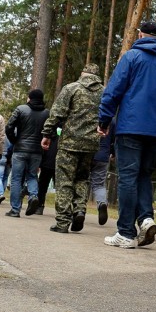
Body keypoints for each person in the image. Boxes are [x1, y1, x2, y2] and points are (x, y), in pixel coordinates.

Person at [100, 22, 156, 249]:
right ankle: (146, 219)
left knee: (127, 177)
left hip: (131, 127)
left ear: (140, 35)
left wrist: (104, 121)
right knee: (143, 175)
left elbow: (114, 91)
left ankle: (125, 232)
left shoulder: (131, 57)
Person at [42, 64, 103, 233]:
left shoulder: (71, 88)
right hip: (91, 144)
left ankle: (62, 222)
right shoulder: (104, 93)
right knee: (82, 178)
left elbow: (57, 113)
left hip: (70, 142)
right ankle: (79, 210)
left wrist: (47, 134)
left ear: (83, 73)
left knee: (64, 181)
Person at [5, 89, 49, 218]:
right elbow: (51, 129)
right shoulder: (47, 113)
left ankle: (15, 209)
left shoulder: (21, 109)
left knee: (16, 179)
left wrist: (15, 141)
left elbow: (9, 127)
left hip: (20, 149)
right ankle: (33, 196)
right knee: (32, 176)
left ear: (29, 98)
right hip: (37, 150)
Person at [90, 118, 114, 225]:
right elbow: (114, 139)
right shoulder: (112, 121)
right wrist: (113, 153)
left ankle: (79, 210)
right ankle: (102, 203)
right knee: (99, 184)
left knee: (81, 181)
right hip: (103, 155)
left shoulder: (90, 114)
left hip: (87, 153)